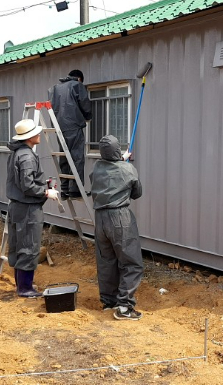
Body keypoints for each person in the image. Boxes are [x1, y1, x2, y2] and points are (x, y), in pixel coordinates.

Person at [89, 135, 143, 320]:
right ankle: (125, 307)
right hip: (120, 218)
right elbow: (137, 192)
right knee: (131, 262)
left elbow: (109, 168)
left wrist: (120, 161)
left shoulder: (96, 168)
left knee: (107, 262)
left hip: (100, 220)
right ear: (118, 151)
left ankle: (109, 302)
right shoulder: (128, 169)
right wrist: (124, 163)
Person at [5, 119, 59, 298]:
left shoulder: (16, 153)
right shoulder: (27, 156)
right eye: (36, 133)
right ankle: (25, 288)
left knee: (20, 244)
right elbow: (27, 185)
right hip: (27, 208)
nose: (39, 135)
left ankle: (22, 284)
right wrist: (45, 192)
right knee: (29, 245)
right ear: (29, 137)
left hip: (17, 206)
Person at [48, 70, 92, 199]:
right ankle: (75, 190)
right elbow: (85, 103)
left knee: (64, 156)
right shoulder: (76, 85)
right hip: (73, 125)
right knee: (77, 157)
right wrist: (88, 116)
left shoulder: (54, 89)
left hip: (59, 127)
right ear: (79, 78)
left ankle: (65, 190)